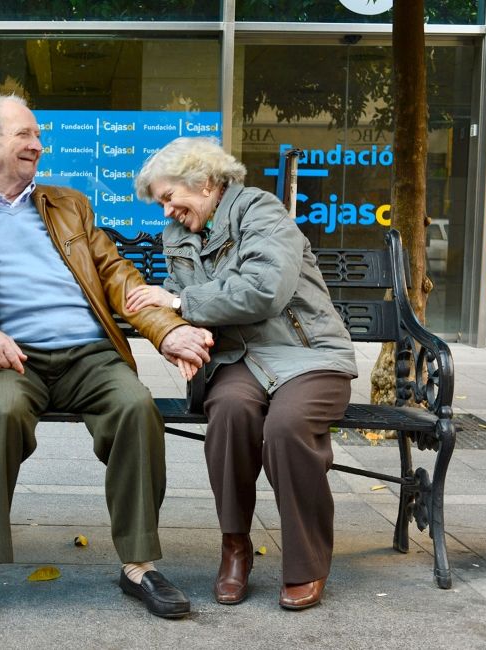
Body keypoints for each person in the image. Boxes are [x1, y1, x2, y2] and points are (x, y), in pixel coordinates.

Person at [0, 95, 214, 623]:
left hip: (88, 355)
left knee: (135, 408)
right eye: (24, 135)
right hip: (11, 360)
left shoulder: (68, 204)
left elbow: (115, 273)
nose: (38, 144)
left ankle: (139, 565)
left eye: (37, 135)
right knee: (1, 416)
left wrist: (167, 331)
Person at [127, 136, 357, 610]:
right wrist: (178, 338)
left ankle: (307, 562)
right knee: (230, 411)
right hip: (237, 360)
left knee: (287, 426)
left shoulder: (262, 213)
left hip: (307, 355)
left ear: (205, 182)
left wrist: (179, 303)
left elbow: (265, 290)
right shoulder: (180, 234)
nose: (166, 211)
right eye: (161, 202)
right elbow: (171, 292)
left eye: (169, 197)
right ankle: (235, 547)